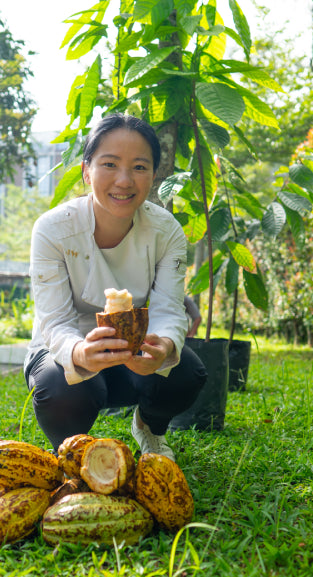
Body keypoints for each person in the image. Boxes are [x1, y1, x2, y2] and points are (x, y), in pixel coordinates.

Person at [24, 113, 207, 460]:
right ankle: (70, 450)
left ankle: (151, 428)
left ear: (153, 175)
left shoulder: (165, 231)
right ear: (86, 170)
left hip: (138, 350)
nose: (124, 180)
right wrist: (79, 353)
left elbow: (170, 308)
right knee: (59, 388)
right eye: (109, 163)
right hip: (68, 350)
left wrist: (164, 346)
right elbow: (54, 322)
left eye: (139, 167)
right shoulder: (52, 230)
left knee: (187, 373)